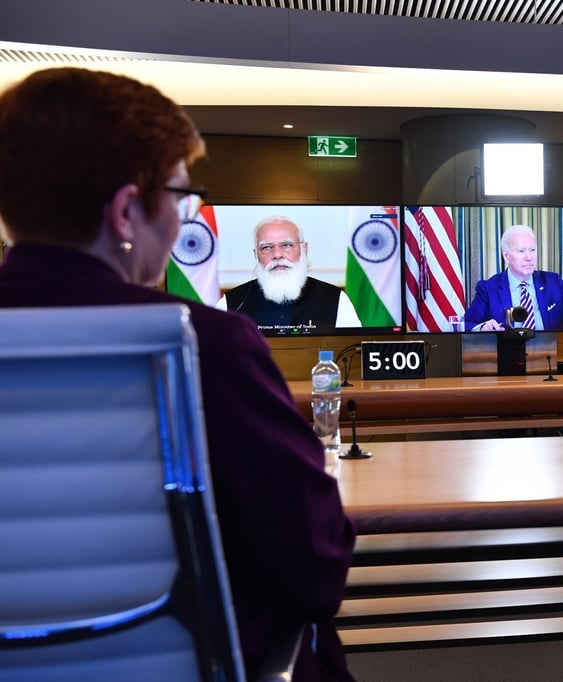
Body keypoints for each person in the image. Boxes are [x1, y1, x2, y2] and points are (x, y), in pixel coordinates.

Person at [0, 68, 357, 681]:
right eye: (180, 197)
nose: (183, 220)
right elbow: (314, 569)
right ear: (125, 212)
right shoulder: (207, 345)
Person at [464, 224, 563, 331]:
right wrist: (482, 327)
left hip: (550, 358)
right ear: (506, 256)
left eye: (532, 250)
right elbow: (468, 324)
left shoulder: (553, 283)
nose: (529, 257)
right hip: (506, 360)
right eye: (521, 251)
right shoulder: (488, 289)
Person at [219, 215, 361, 332]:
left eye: (286, 245)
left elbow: (353, 355)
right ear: (256, 255)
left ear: (304, 249)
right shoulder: (229, 304)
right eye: (266, 247)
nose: (277, 255)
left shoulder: (337, 300)